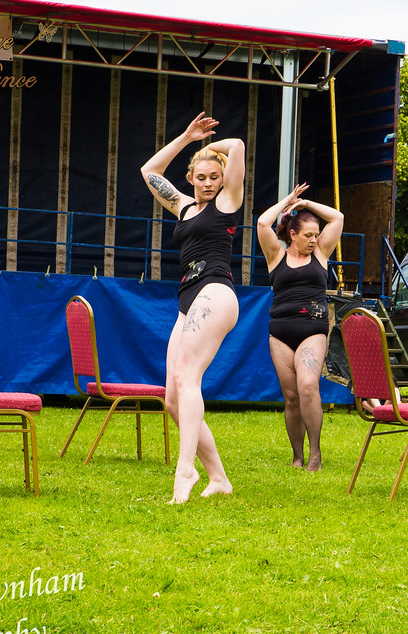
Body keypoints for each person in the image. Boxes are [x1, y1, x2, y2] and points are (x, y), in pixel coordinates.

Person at [141, 112, 245, 503]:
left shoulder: (228, 203)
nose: (206, 183)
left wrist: (212, 149)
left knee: (188, 378)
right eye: (200, 178)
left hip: (216, 292)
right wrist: (186, 137)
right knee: (172, 396)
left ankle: (185, 471)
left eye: (213, 178)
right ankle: (218, 478)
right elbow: (149, 170)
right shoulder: (183, 208)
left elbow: (237, 147)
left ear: (222, 181)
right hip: (187, 301)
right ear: (190, 180)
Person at [256, 184, 344, 471]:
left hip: (313, 329)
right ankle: (297, 456)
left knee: (308, 386)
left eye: (315, 235)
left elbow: (338, 218)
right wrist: (287, 202)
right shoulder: (276, 256)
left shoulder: (320, 254)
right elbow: (262, 223)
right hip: (280, 332)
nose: (313, 240)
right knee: (291, 396)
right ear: (292, 235)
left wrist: (306, 203)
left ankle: (315, 454)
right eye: (307, 235)